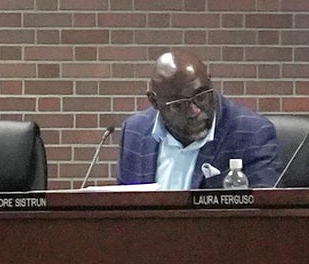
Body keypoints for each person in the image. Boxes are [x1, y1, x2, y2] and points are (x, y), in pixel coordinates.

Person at [114, 51, 282, 189]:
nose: (194, 111)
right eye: (178, 104)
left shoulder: (251, 133)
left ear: (209, 81)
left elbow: (264, 212)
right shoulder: (134, 133)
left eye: (201, 96)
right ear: (154, 101)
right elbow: (123, 209)